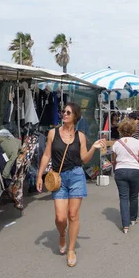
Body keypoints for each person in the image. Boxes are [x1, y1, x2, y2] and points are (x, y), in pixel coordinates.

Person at [36, 103, 105, 267]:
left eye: (68, 112)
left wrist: (93, 148)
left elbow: (84, 159)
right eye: (63, 112)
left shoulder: (80, 136)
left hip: (76, 176)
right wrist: (39, 175)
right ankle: (62, 234)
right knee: (60, 218)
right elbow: (46, 155)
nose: (64, 114)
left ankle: (71, 250)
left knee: (73, 215)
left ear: (75, 116)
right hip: (58, 178)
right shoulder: (53, 133)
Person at [112, 119, 139, 234]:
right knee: (134, 196)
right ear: (133, 130)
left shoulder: (117, 143)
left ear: (121, 130)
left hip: (120, 171)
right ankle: (133, 219)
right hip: (134, 170)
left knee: (123, 198)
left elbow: (114, 160)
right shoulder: (137, 143)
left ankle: (125, 225)